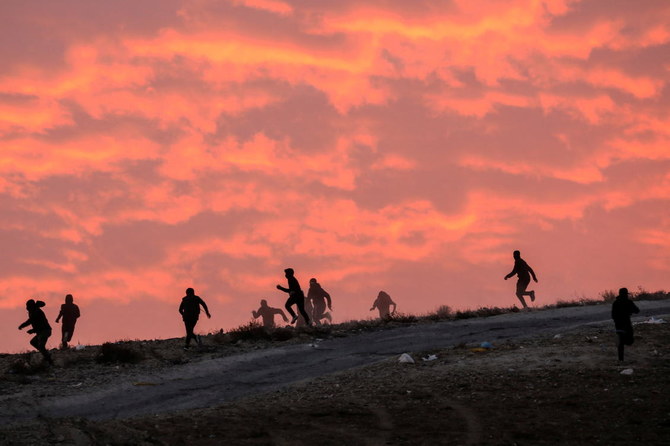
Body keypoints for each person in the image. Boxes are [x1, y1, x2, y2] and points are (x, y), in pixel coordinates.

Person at [18, 299, 53, 364]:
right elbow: (30, 321)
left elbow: (40, 324)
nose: (26, 308)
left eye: (28, 306)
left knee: (41, 346)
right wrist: (22, 326)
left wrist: (32, 330)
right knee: (33, 342)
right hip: (40, 332)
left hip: (45, 331)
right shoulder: (33, 312)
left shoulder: (37, 312)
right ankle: (46, 354)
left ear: (31, 306)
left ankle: (50, 360)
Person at [611, 288, 640, 361]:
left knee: (620, 343)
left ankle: (621, 359)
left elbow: (613, 315)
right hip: (626, 324)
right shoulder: (628, 302)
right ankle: (623, 342)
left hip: (618, 325)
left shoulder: (615, 303)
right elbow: (637, 310)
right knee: (630, 340)